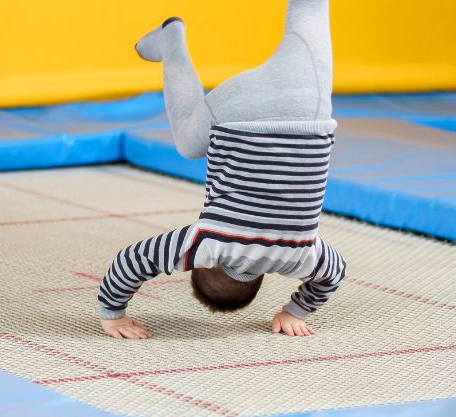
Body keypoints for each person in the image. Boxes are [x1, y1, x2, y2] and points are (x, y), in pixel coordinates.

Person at [98, 0, 343, 339]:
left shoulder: (301, 254)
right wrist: (113, 314)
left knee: (311, 11)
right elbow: (133, 261)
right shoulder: (207, 244)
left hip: (307, 103)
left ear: (262, 276)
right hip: (239, 110)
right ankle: (171, 41)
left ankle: (172, 40)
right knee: (187, 142)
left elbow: (334, 274)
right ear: (204, 265)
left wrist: (295, 310)